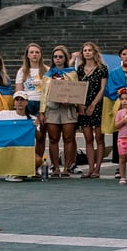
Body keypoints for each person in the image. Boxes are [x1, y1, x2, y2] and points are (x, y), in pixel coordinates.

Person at [42, 46, 78, 178]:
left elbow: (76, 91)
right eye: (55, 57)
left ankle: (67, 167)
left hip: (68, 108)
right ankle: (56, 167)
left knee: (68, 138)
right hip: (52, 109)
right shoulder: (48, 74)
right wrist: (42, 112)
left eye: (60, 57)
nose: (58, 59)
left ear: (65, 58)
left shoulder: (72, 73)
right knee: (53, 139)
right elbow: (43, 94)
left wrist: (71, 100)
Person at [76, 42, 109, 180]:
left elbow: (102, 89)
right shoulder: (79, 69)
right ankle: (90, 168)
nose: (87, 52)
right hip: (83, 104)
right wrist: (80, 105)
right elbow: (77, 88)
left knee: (99, 138)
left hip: (98, 105)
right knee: (88, 138)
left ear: (95, 52)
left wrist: (93, 104)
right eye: (85, 50)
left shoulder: (102, 68)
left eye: (90, 50)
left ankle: (97, 168)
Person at [14, 43, 48, 172]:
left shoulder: (46, 70)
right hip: (27, 103)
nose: (34, 55)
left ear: (40, 55)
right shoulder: (22, 71)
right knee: (25, 135)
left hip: (41, 103)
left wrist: (42, 111)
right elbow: (19, 91)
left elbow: (49, 91)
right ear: (27, 55)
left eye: (37, 52)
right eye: (32, 52)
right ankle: (24, 164)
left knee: (40, 136)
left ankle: (36, 165)